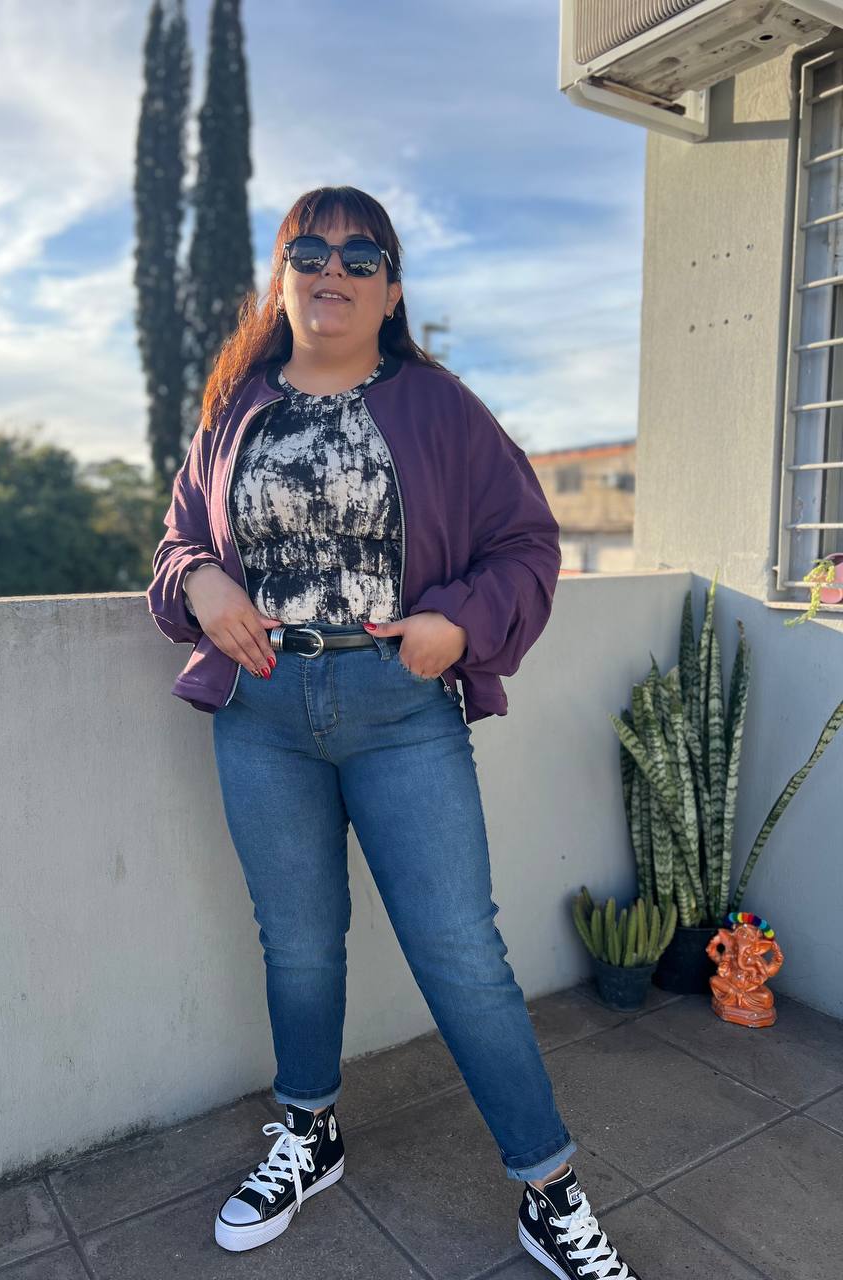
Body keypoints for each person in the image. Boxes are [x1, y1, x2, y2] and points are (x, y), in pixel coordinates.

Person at [146, 186, 643, 1279]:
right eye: (309, 251)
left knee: (461, 951)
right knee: (296, 942)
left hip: (400, 711)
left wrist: (456, 624)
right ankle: (309, 1133)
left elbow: (528, 544)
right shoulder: (234, 407)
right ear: (281, 278)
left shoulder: (438, 405)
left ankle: (549, 1191)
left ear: (391, 288)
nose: (333, 269)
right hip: (260, 711)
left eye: (360, 254)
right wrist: (203, 581)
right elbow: (178, 541)